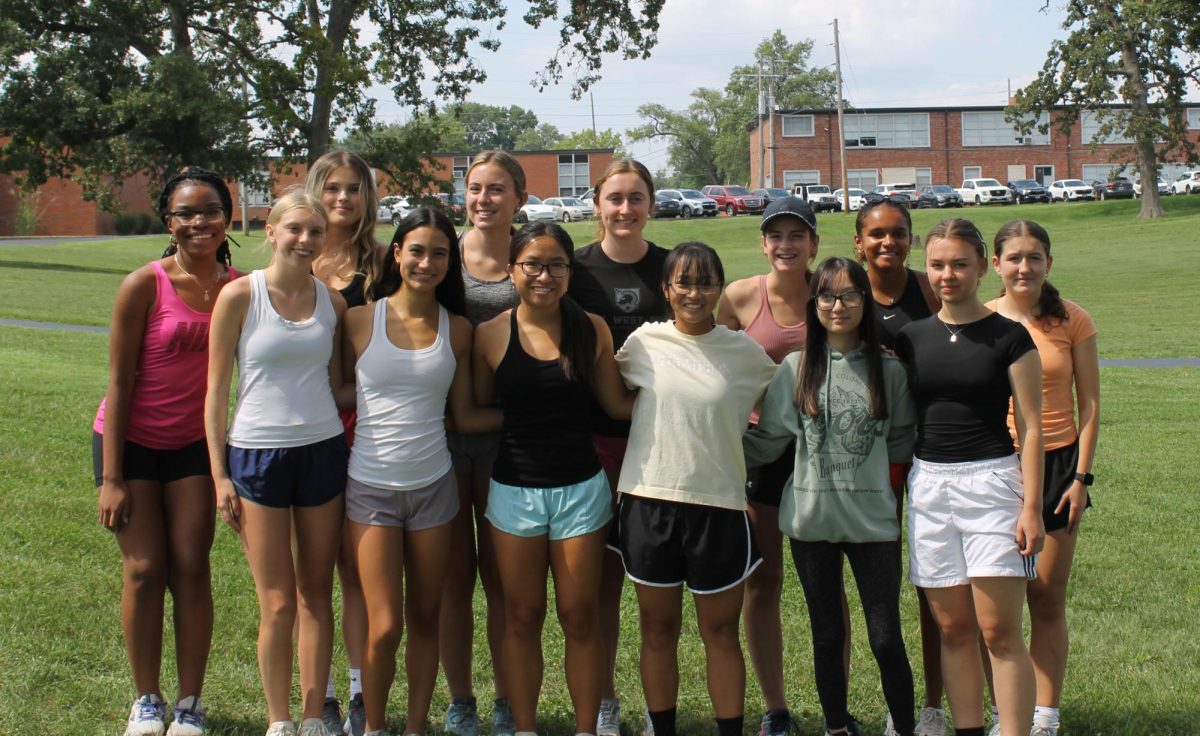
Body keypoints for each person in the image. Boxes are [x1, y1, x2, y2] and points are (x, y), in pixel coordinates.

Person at [343, 207, 502, 736]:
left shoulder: (457, 329)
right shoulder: (359, 319)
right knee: (384, 625)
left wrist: (538, 410)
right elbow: (338, 390)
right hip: (370, 489)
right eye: (416, 250)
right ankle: (374, 726)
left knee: (426, 617)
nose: (427, 262)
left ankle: (414, 726)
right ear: (396, 253)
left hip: (435, 489)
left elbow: (464, 414)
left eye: (439, 253)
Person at [744, 257, 917, 736]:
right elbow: (770, 439)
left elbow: (902, 441)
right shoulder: (795, 369)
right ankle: (836, 727)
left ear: (865, 300)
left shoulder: (890, 372)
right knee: (827, 634)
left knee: (885, 638)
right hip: (811, 522)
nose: (838, 306)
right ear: (813, 303)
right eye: (827, 296)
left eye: (849, 296)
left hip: (873, 523)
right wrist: (717, 444)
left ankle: (904, 727)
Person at [94, 167, 239, 736]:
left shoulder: (240, 286)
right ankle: (147, 700)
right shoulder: (143, 283)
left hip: (193, 448)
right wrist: (112, 478)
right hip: (129, 441)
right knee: (144, 569)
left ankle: (189, 704)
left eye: (209, 210)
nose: (198, 222)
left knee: (191, 567)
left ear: (228, 217)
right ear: (168, 221)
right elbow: (120, 382)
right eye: (185, 213)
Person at [473, 222, 632, 736]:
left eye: (557, 265)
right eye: (533, 265)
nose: (544, 276)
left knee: (579, 615)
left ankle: (586, 729)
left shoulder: (593, 330)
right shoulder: (490, 334)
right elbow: (473, 411)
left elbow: (615, 405)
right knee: (522, 616)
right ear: (511, 270)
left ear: (570, 270)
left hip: (582, 492)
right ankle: (524, 727)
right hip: (513, 492)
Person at [616, 242, 778, 736]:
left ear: (719, 288)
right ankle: (660, 727)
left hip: (719, 507)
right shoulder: (643, 343)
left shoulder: (744, 352)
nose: (694, 292)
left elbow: (783, 407)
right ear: (666, 289)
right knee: (658, 629)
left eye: (706, 282)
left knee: (721, 632)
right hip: (650, 501)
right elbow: (611, 398)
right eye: (683, 282)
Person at [205, 189, 351, 736]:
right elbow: (217, 389)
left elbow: (340, 386)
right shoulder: (239, 296)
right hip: (256, 454)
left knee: (316, 593)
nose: (306, 240)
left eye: (316, 232)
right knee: (277, 601)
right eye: (295, 230)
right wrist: (220, 474)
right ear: (271, 231)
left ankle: (314, 717)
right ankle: (279, 720)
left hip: (322, 450)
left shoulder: (332, 303)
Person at [894, 218, 1045, 736]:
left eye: (960, 264)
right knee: (954, 629)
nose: (948, 275)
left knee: (999, 631)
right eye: (937, 265)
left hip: (994, 485)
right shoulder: (911, 339)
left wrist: (1030, 507)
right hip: (931, 487)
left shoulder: (1011, 337)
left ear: (984, 267)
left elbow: (1030, 425)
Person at [566, 158, 670, 736]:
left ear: (651, 204)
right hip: (594, 442)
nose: (625, 210)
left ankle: (661, 705)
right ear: (597, 204)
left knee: (656, 583)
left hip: (662, 442)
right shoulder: (575, 268)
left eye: (635, 198)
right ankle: (605, 701)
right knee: (600, 580)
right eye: (614, 199)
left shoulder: (670, 267)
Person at [984, 220, 1099, 736]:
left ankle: (1046, 715)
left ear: (1048, 262)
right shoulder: (980, 318)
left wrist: (1081, 477)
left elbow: (1090, 404)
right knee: (996, 615)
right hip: (994, 467)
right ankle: (1005, 711)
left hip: (1058, 467)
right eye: (1014, 257)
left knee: (1046, 598)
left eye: (1034, 257)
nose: (1024, 267)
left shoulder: (1071, 319)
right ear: (996, 264)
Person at [716, 196, 818, 736]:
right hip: (761, 453)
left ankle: (835, 702)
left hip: (824, 456)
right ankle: (775, 707)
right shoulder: (738, 297)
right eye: (775, 236)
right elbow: (707, 352)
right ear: (763, 243)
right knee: (764, 581)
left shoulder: (833, 291)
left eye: (796, 235)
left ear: (813, 244)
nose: (786, 245)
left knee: (823, 581)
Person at [441, 150, 527, 736]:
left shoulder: (532, 258)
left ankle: (504, 697)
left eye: (497, 189)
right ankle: (460, 700)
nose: (484, 199)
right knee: (452, 578)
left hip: (511, 442)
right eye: (475, 188)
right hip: (439, 437)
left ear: (519, 198)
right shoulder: (443, 258)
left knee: (503, 580)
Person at [853, 193, 944, 736]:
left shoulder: (928, 288)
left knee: (932, 582)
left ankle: (931, 704)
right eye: (877, 234)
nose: (888, 242)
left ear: (911, 238)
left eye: (898, 233)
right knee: (881, 586)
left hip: (929, 451)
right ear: (858, 241)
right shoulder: (843, 288)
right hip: (864, 459)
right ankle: (899, 702)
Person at [304, 148, 381, 736]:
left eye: (353, 189)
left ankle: (358, 694)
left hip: (367, 428)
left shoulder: (383, 265)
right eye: (331, 188)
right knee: (310, 571)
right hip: (298, 432)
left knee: (355, 570)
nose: (342, 199)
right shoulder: (294, 260)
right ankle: (318, 698)